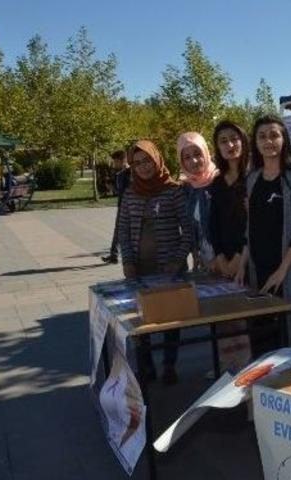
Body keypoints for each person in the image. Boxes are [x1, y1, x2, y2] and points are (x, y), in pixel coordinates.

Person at [237, 115, 291, 350]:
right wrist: (242, 264)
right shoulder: (252, 178)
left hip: (289, 269)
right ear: (255, 142)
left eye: (274, 135)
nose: (268, 141)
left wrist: (282, 271)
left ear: (284, 139)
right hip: (258, 268)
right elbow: (250, 225)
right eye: (262, 136)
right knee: (264, 335)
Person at [117, 140, 192, 385]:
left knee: (171, 319)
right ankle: (146, 365)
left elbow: (189, 229)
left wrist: (178, 260)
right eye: (137, 163)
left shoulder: (173, 190)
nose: (143, 167)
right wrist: (127, 262)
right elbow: (123, 230)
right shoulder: (130, 193)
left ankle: (169, 365)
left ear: (156, 159)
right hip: (139, 268)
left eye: (147, 160)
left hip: (170, 268)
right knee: (140, 320)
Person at [209, 120, 249, 279]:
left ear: (243, 141)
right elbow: (214, 222)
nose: (230, 145)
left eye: (234, 139)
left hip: (249, 257)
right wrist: (219, 256)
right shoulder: (217, 182)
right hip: (223, 260)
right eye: (223, 141)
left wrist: (239, 257)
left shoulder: (254, 177)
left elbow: (252, 222)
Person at [177, 132, 219, 272]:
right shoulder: (187, 188)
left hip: (226, 259)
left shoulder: (220, 181)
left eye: (197, 154)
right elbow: (190, 226)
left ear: (206, 153)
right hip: (204, 260)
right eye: (187, 157)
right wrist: (195, 252)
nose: (194, 161)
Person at [102, 150, 131, 264]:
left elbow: (128, 191)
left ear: (121, 160)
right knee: (119, 230)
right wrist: (112, 187)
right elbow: (120, 191)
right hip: (122, 205)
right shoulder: (120, 174)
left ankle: (116, 255)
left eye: (115, 161)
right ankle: (114, 255)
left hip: (127, 207)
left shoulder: (129, 173)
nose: (114, 164)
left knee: (121, 230)